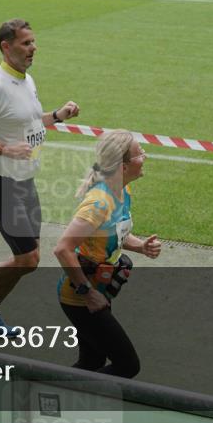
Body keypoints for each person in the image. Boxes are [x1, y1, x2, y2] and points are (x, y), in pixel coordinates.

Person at [0, 19, 79, 333]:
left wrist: (58, 116)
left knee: (25, 259)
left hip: (23, 180)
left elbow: (31, 123)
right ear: (6, 47)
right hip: (2, 182)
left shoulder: (26, 80)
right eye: (25, 43)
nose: (33, 48)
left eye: (33, 42)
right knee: (28, 260)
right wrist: (5, 150)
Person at [53, 130, 161, 378]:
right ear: (123, 166)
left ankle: (58, 400)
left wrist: (140, 246)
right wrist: (88, 294)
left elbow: (112, 235)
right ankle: (47, 394)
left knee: (92, 361)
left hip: (99, 290)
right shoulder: (99, 203)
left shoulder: (123, 192)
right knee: (127, 365)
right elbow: (63, 249)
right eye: (139, 153)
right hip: (81, 297)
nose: (145, 156)